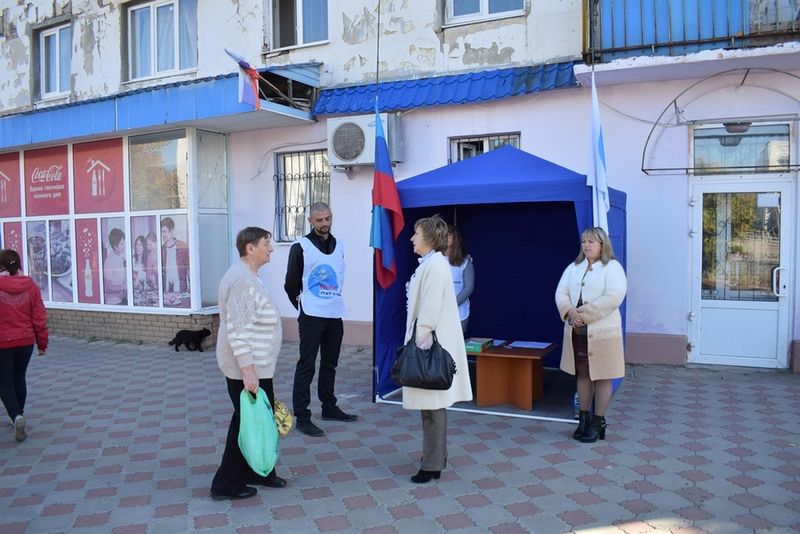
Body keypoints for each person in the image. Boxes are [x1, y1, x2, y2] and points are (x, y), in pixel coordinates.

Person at [210, 227, 287, 501]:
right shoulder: (242, 281)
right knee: (247, 424)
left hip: (257, 366)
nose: (271, 249)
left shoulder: (248, 276)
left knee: (260, 422)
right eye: (266, 244)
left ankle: (259, 472)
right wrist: (248, 371)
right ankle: (225, 485)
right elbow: (238, 331)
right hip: (248, 369)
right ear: (250, 248)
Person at [403, 215, 472, 483]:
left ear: (429, 238)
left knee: (433, 406)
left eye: (416, 234)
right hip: (430, 340)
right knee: (430, 405)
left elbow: (430, 306)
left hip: (430, 343)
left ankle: (432, 464)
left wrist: (420, 339)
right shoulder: (432, 264)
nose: (412, 238)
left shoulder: (435, 266)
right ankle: (432, 457)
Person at [284, 202, 356, 437]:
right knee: (306, 365)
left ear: (331, 217)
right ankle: (302, 416)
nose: (324, 223)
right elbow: (290, 283)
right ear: (310, 221)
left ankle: (329, 407)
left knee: (330, 363)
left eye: (327, 219)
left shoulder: (339, 245)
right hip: (311, 315)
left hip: (334, 313)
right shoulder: (300, 247)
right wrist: (303, 306)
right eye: (319, 220)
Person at [555, 227, 627, 443]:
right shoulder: (574, 267)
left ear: (602, 244)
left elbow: (614, 296)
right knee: (583, 374)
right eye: (584, 241)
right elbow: (561, 292)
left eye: (591, 241)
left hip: (603, 333)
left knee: (603, 376)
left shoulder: (612, 267)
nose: (586, 245)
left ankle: (598, 421)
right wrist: (569, 311)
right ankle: (584, 418)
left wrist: (584, 315)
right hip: (577, 331)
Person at [0, 249, 48, 442]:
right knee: (19, 377)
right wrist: (42, 343)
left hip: (2, 342)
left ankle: (16, 416)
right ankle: (19, 413)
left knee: (4, 383)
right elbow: (39, 317)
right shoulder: (31, 286)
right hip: (26, 341)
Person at [445, 224, 474, 333]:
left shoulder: (465, 260)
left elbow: (468, 288)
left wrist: (451, 305)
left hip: (459, 314)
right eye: (441, 234)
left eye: (448, 234)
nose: (444, 236)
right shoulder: (432, 259)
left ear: (455, 237)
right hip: (436, 314)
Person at [161, 217, 190, 302]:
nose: (163, 234)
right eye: (161, 232)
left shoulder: (182, 246)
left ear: (171, 231)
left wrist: (191, 291)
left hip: (181, 292)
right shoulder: (162, 249)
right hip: (166, 293)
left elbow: (189, 270)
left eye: (165, 231)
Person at [103, 228, 126, 305]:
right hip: (113, 302)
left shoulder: (120, 257)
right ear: (116, 246)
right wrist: (122, 287)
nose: (124, 246)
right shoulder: (109, 261)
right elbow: (107, 287)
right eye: (122, 244)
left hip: (121, 299)